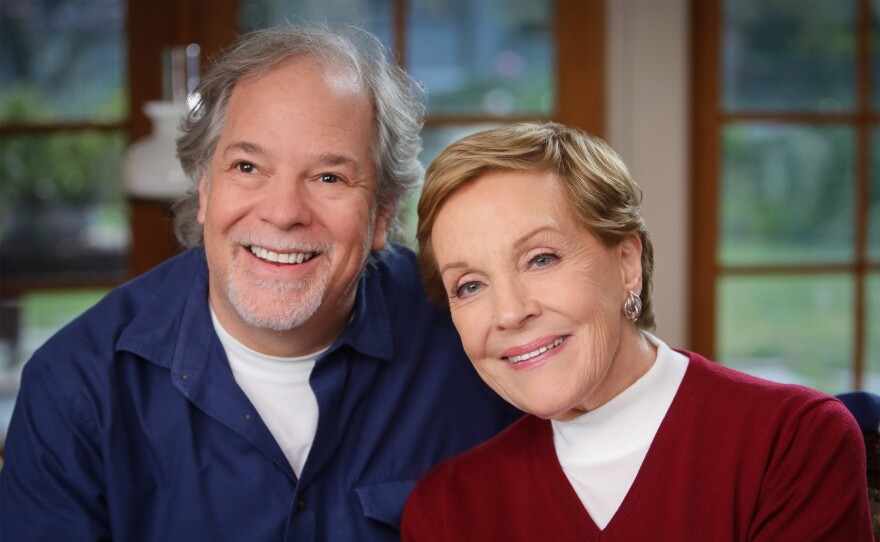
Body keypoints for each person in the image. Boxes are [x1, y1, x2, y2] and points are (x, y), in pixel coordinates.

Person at [0, 25, 520, 541]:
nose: (283, 212)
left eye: (329, 177)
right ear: (204, 190)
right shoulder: (75, 388)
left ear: (383, 214)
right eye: (247, 166)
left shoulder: (470, 334)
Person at [402, 121, 873, 541]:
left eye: (540, 259)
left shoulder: (790, 442)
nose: (509, 313)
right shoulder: (446, 508)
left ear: (627, 263)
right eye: (469, 286)